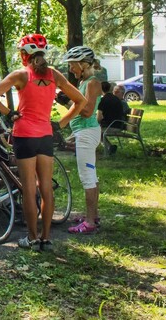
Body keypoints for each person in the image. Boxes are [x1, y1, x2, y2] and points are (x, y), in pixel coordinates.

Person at [0, 34, 85, 251]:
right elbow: (81, 100)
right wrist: (63, 122)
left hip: (24, 135)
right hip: (45, 136)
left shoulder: (21, 75)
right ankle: (46, 238)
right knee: (46, 188)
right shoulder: (54, 75)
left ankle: (31, 238)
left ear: (24, 55)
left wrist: (9, 113)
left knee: (29, 190)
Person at [63, 46, 103, 235]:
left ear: (84, 64)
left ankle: (89, 222)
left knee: (87, 178)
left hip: (87, 133)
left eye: (73, 65)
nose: (71, 69)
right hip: (84, 132)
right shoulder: (84, 82)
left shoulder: (93, 83)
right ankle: (93, 215)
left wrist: (67, 102)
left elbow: (87, 111)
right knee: (91, 177)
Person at [98, 81, 127, 155]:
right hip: (117, 124)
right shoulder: (116, 100)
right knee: (96, 130)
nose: (115, 93)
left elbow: (99, 117)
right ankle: (110, 147)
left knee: (94, 130)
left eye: (117, 92)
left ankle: (107, 150)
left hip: (114, 125)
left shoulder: (104, 100)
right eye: (114, 91)